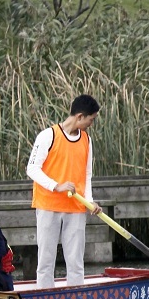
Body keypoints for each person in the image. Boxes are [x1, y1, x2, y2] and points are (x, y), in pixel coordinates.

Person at [26, 94, 103, 288]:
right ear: (79, 116)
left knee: (76, 262)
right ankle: (44, 298)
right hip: (48, 206)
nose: (91, 124)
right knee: (46, 260)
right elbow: (32, 169)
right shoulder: (48, 136)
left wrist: (90, 201)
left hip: (76, 208)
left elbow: (87, 174)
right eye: (91, 119)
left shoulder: (86, 139)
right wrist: (56, 186)